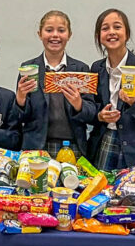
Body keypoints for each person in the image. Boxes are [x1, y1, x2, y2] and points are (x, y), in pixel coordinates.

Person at [88, 9, 135, 170]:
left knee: (133, 187)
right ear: (99, 36)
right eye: (105, 28)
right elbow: (92, 107)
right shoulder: (96, 68)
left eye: (117, 27)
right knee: (101, 186)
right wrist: (100, 115)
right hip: (105, 141)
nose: (111, 32)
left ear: (127, 34)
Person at [15, 10, 97, 158]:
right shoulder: (29, 68)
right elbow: (19, 117)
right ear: (40, 34)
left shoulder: (81, 69)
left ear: (69, 35)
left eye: (61, 30)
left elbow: (92, 114)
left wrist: (79, 104)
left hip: (73, 145)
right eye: (49, 30)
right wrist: (20, 100)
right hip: (36, 145)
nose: (55, 35)